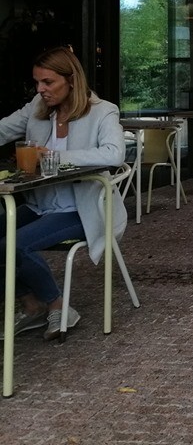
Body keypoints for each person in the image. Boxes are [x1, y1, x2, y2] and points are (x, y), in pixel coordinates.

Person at [0, 46, 126, 340]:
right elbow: (3, 129)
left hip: (82, 208)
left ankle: (57, 304)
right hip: (41, 203)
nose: (40, 89)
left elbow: (114, 153)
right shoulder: (37, 107)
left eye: (48, 82)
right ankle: (31, 304)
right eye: (37, 82)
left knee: (12, 246)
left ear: (71, 80)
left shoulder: (102, 111)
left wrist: (55, 157)